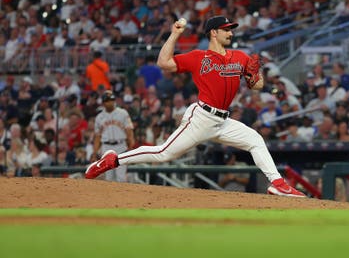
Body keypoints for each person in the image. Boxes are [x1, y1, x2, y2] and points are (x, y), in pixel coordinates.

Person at [85, 15, 305, 197]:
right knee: (164, 153)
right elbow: (164, 63)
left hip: (223, 120)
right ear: (213, 33)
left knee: (255, 140)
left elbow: (258, 85)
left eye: (231, 29)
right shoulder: (199, 57)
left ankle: (277, 183)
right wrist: (175, 34)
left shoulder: (240, 57)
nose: (231, 33)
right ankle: (113, 160)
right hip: (202, 118)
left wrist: (255, 74)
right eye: (226, 29)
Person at [91, 90, 134, 182]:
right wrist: (94, 152)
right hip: (106, 147)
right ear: (103, 102)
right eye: (108, 100)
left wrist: (131, 145)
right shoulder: (99, 117)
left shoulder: (123, 113)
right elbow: (97, 136)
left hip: (121, 146)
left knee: (121, 177)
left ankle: (122, 196)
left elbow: (129, 130)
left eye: (112, 100)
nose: (110, 102)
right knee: (109, 178)